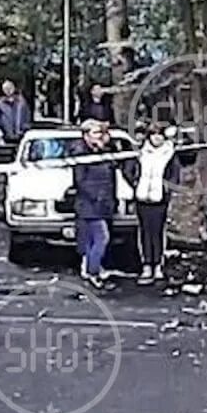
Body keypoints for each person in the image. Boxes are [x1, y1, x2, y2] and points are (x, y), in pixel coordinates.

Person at [128, 122, 179, 285]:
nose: (156, 138)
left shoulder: (170, 154)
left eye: (160, 135)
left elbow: (175, 175)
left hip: (160, 199)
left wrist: (166, 189)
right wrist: (135, 183)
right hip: (142, 197)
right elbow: (129, 169)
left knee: (158, 232)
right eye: (153, 134)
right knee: (144, 232)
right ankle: (146, 265)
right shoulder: (140, 152)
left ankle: (158, 265)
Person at [71, 119, 117, 289]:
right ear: (86, 135)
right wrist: (96, 196)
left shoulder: (102, 152)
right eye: (96, 133)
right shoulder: (81, 153)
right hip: (90, 204)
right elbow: (80, 180)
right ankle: (93, 271)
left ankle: (92, 267)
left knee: (93, 240)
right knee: (101, 238)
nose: (100, 136)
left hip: (103, 203)